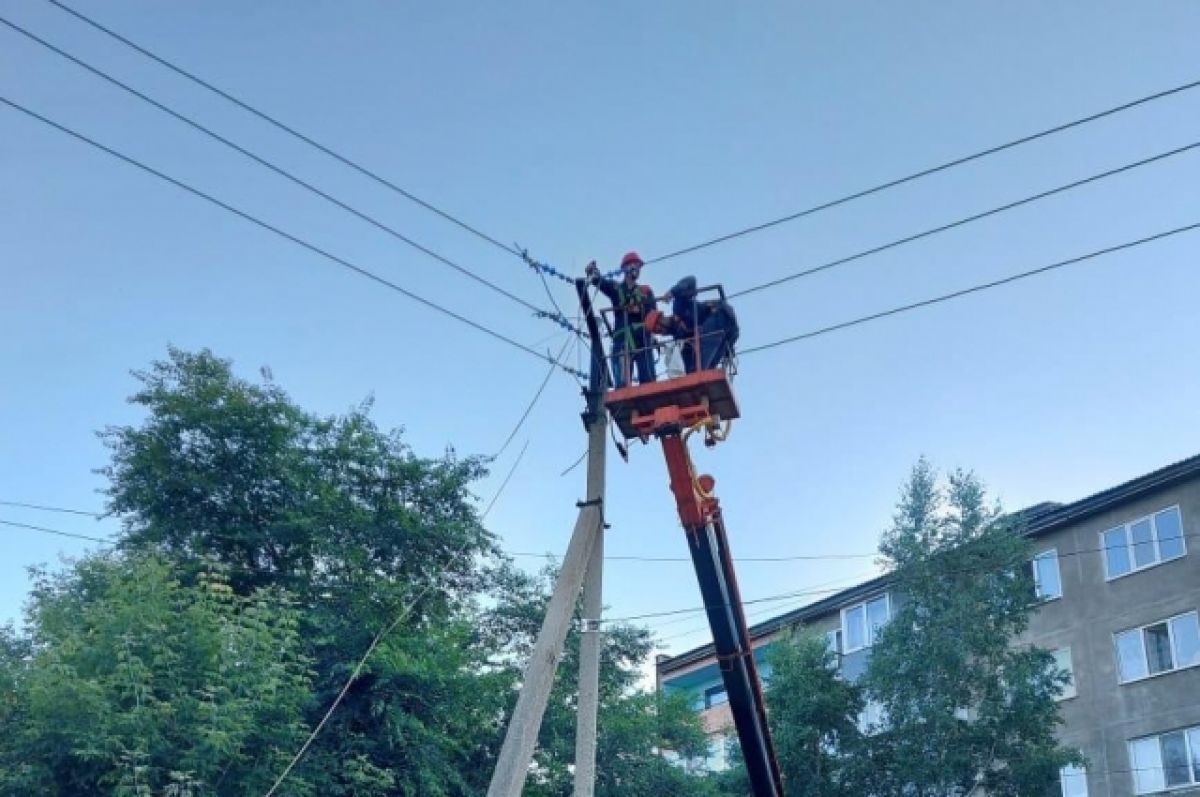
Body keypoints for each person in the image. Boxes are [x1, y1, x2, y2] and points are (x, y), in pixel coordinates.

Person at [585, 252, 657, 388]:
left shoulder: (645, 291)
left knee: (648, 381)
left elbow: (653, 314)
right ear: (625, 268)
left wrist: (640, 309)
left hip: (642, 337)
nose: (636, 268)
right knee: (622, 385)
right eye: (633, 265)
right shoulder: (617, 289)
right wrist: (592, 272)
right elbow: (601, 282)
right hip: (622, 339)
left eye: (638, 266)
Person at [653, 275, 739, 373]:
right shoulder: (680, 338)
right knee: (703, 369)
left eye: (659, 326)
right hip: (728, 332)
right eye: (658, 331)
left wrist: (673, 292)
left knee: (700, 366)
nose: (661, 331)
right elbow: (686, 356)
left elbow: (691, 280)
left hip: (720, 314)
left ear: (662, 317)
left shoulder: (678, 308)